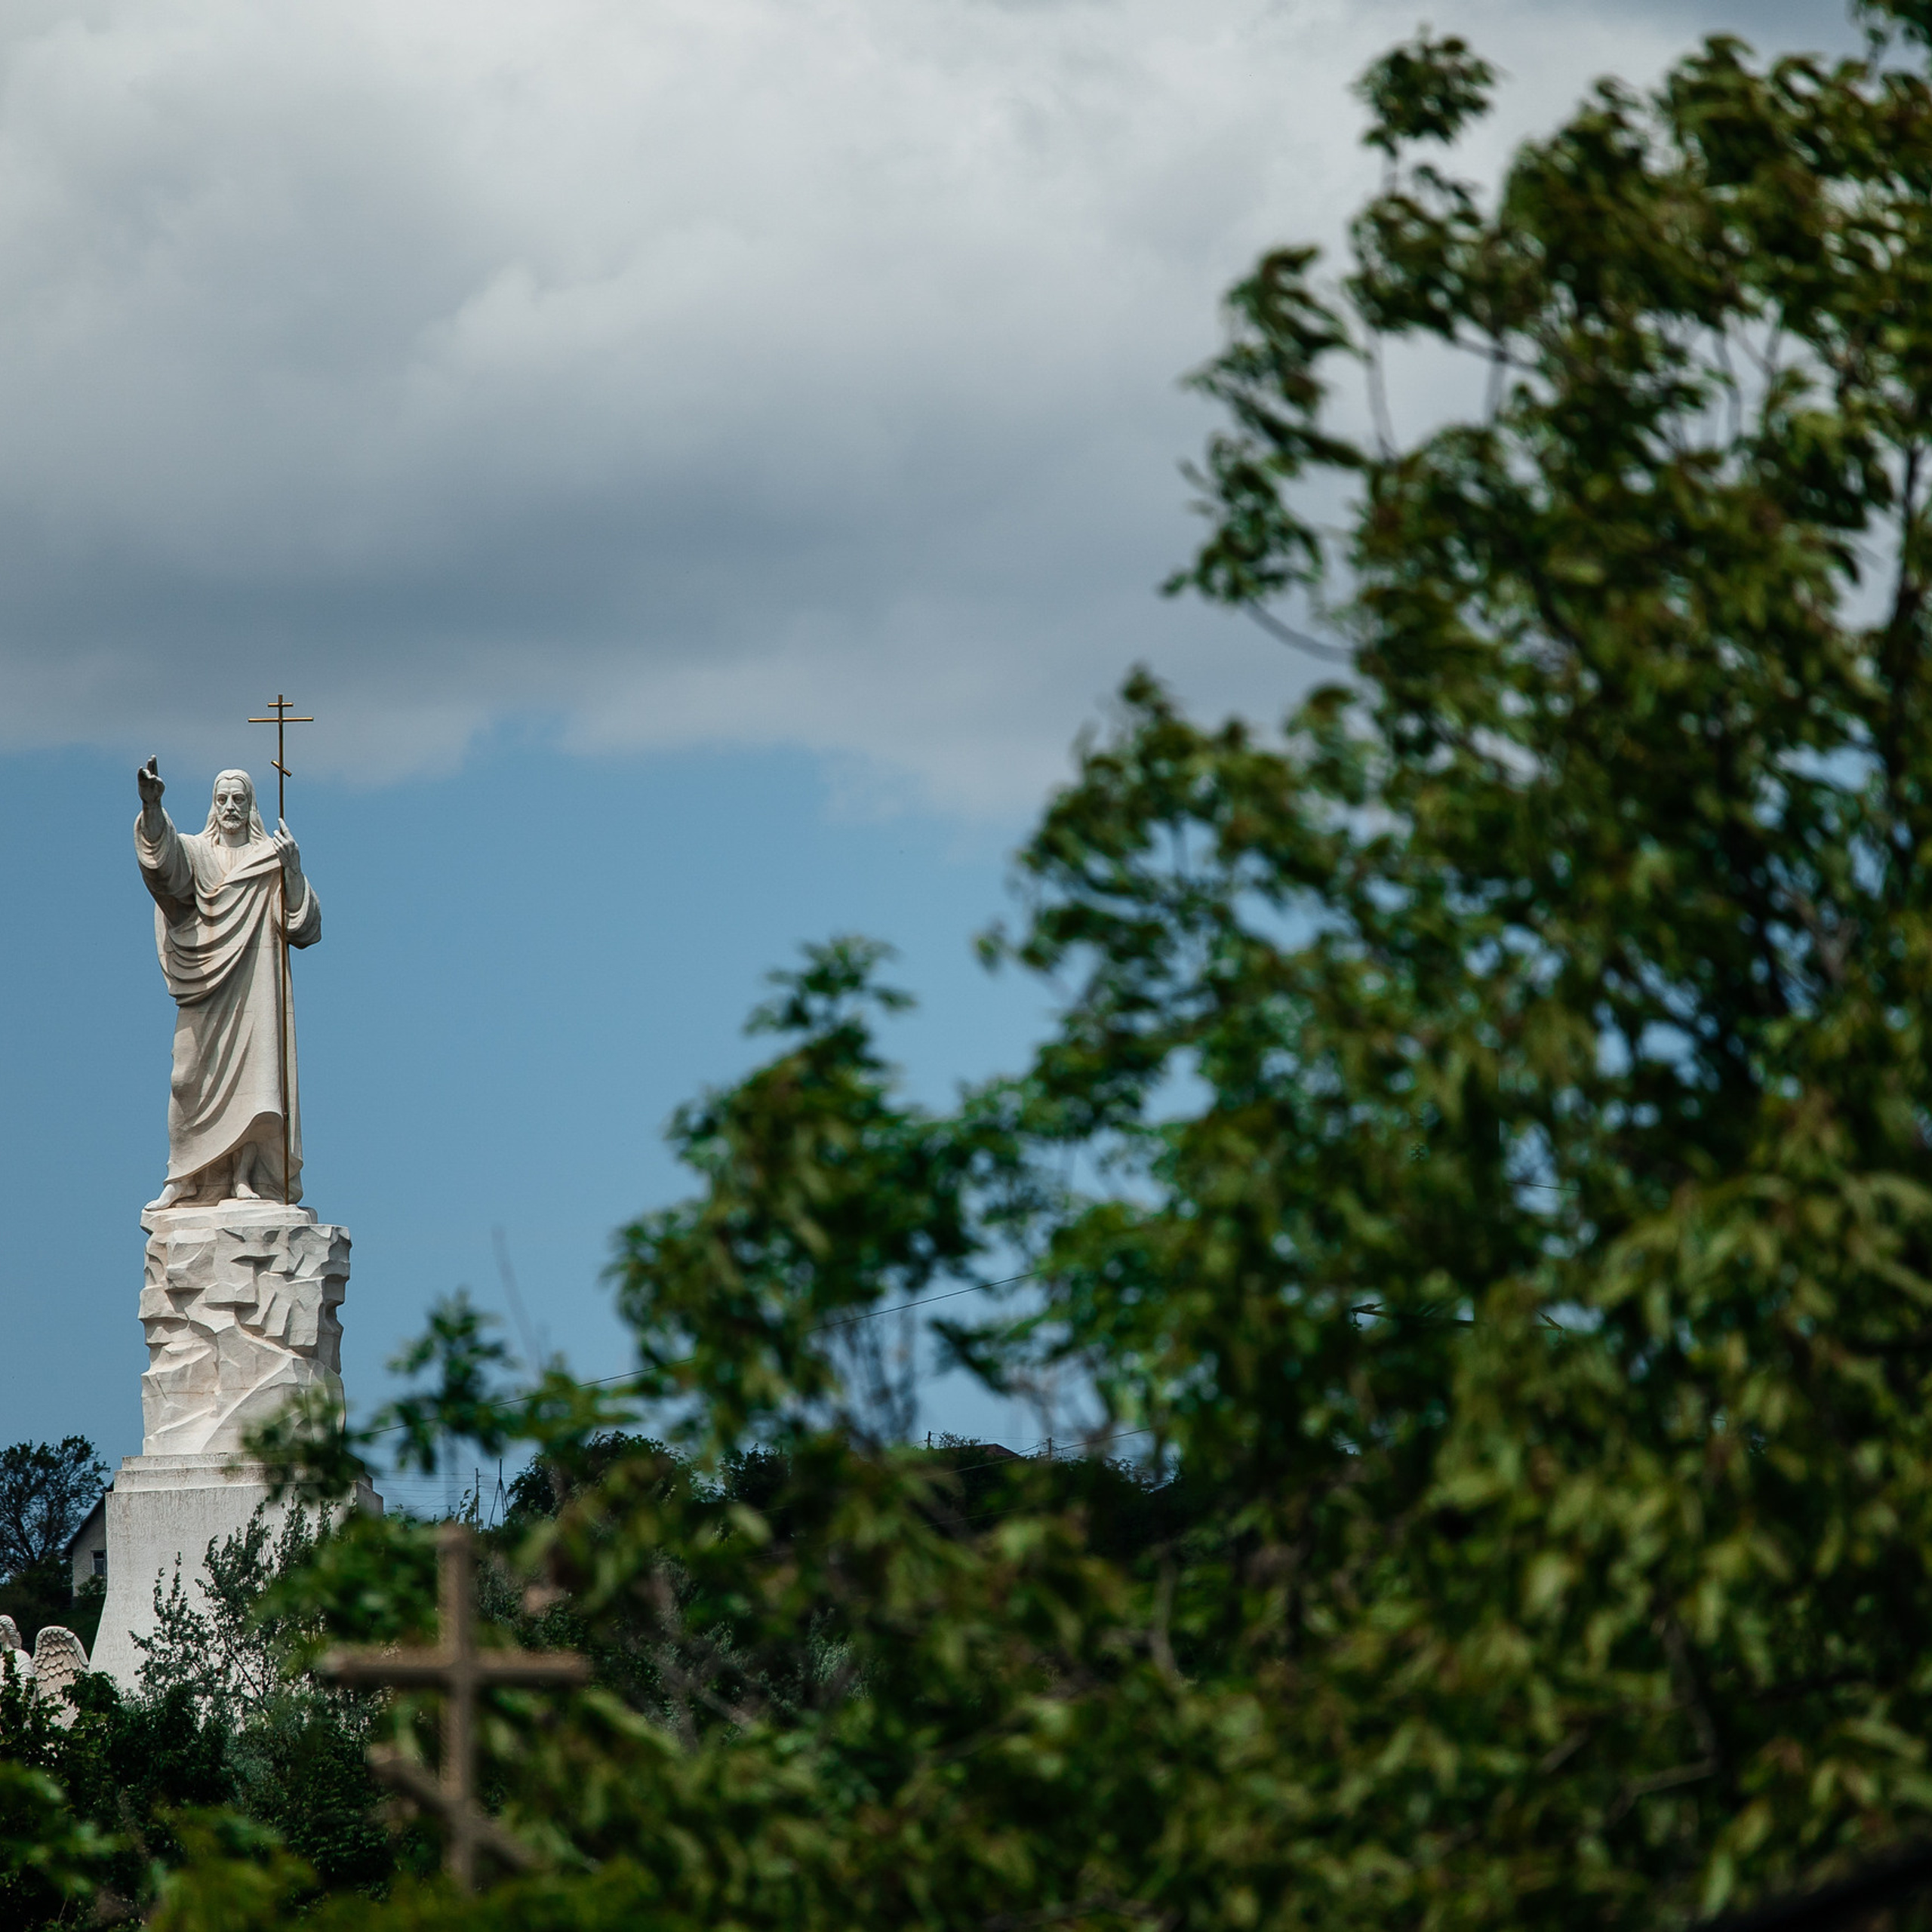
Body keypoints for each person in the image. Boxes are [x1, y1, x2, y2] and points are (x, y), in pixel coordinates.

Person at [134, 758, 319, 1210]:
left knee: (256, 1083)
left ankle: (243, 1177)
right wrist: (153, 807)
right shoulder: (197, 852)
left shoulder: (268, 860)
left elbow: (307, 927)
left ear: (251, 806)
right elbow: (165, 872)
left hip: (256, 990)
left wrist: (292, 870)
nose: (230, 807)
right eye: (223, 799)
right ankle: (183, 1175)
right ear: (212, 806)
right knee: (186, 1076)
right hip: (204, 982)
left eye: (239, 799)